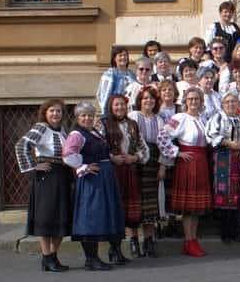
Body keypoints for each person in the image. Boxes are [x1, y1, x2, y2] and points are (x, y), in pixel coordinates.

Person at [63, 102, 125, 271]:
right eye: (83, 115)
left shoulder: (94, 132)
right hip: (92, 179)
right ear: (77, 118)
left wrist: (112, 159)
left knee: (104, 213)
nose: (87, 118)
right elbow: (68, 155)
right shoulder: (77, 134)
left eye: (90, 115)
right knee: (91, 216)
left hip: (105, 177)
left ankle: (109, 254)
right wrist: (83, 167)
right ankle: (91, 259)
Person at [15, 98, 72, 272]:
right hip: (46, 177)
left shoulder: (63, 130)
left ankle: (53, 257)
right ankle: (47, 256)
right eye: (52, 111)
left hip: (62, 176)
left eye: (59, 111)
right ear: (45, 113)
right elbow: (21, 145)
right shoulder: (41, 128)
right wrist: (34, 166)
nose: (55, 114)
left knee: (61, 217)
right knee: (46, 218)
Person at [157, 87, 213, 257]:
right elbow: (162, 136)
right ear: (185, 102)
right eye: (190, 99)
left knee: (196, 207)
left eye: (196, 99)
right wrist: (176, 152)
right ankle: (189, 241)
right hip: (188, 162)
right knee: (189, 207)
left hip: (201, 161)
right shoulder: (179, 118)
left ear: (201, 102)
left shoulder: (204, 119)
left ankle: (192, 239)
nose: (193, 102)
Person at [97, 95, 150, 259]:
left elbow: (144, 148)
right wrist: (112, 158)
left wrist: (134, 158)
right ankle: (114, 248)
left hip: (129, 171)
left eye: (122, 104)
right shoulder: (103, 124)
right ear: (110, 107)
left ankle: (118, 249)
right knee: (114, 209)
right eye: (116, 105)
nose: (120, 107)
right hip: (112, 172)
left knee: (128, 210)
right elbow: (97, 146)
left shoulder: (132, 124)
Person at [128, 86, 165, 257]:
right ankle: (133, 240)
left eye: (151, 98)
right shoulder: (134, 117)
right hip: (136, 161)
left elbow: (164, 144)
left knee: (150, 203)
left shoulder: (159, 119)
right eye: (144, 98)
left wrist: (163, 165)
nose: (148, 101)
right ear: (139, 101)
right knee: (134, 201)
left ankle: (149, 241)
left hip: (153, 162)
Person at [206, 92, 240, 243]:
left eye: (234, 101)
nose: (231, 104)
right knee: (223, 192)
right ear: (222, 104)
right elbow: (210, 134)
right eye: (227, 102)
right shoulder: (218, 117)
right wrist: (228, 143)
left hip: (239, 158)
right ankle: (225, 231)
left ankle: (235, 230)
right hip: (223, 157)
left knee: (237, 191)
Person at [96, 46, 135, 115]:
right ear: (114, 58)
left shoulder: (131, 74)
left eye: (125, 55)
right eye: (120, 55)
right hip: (115, 111)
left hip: (130, 111)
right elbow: (104, 96)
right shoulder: (109, 74)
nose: (123, 57)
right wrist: (106, 113)